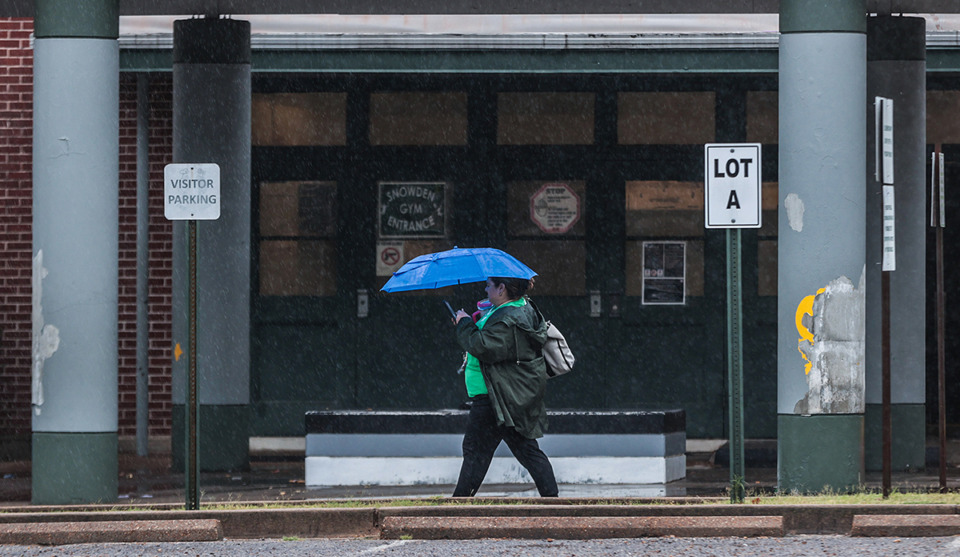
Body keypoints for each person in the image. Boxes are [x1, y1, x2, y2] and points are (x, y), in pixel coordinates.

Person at [451, 276, 558, 497]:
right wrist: (480, 319)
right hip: (508, 393)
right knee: (526, 450)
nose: (485, 288)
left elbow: (481, 345)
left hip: (495, 395)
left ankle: (459, 505)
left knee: (476, 451)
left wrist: (464, 324)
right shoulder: (521, 307)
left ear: (502, 289)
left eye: (489, 285)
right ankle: (552, 500)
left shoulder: (507, 318)